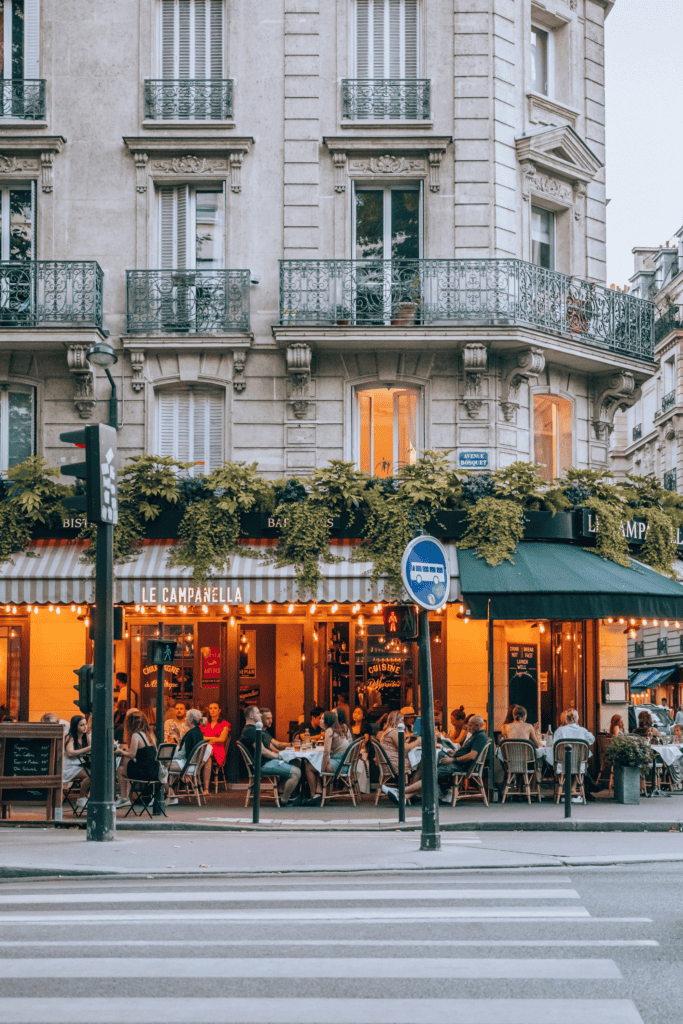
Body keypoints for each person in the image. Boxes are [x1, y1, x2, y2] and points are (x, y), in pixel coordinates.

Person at [240, 706, 301, 806]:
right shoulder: (251, 731)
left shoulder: (252, 729)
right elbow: (263, 751)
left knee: (295, 761)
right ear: (251, 716)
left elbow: (268, 748)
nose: (260, 715)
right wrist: (279, 757)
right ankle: (284, 801)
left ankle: (284, 792)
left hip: (264, 762)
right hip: (262, 765)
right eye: (257, 713)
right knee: (297, 772)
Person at [305, 710, 351, 805]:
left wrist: (322, 768)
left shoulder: (329, 731)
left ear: (328, 720)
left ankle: (314, 796)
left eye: (322, 718)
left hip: (339, 765)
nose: (320, 720)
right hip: (344, 764)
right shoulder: (338, 730)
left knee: (309, 767)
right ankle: (319, 793)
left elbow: (326, 752)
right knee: (317, 764)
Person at [553, 709, 598, 802]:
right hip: (578, 765)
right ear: (576, 719)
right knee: (578, 766)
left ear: (565, 719)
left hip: (563, 764)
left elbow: (554, 746)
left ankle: (563, 790)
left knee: (558, 765)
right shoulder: (582, 730)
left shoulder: (559, 730)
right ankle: (573, 788)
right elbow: (592, 739)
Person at [115, 710, 158, 808]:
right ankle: (126, 796)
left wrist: (120, 751)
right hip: (154, 771)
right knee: (124, 767)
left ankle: (124, 798)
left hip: (144, 773)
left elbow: (131, 755)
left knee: (121, 768)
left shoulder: (136, 735)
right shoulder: (149, 734)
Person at [436, 716, 489, 794]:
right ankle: (443, 790)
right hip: (459, 763)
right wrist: (455, 753)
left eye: (470, 725)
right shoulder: (475, 735)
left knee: (433, 772)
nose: (468, 727)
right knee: (439, 757)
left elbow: (472, 755)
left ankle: (442, 790)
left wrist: (453, 759)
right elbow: (467, 752)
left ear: (477, 725)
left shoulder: (480, 736)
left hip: (461, 766)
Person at [167, 708, 205, 805]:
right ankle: (170, 794)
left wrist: (169, 756)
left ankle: (170, 795)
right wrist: (179, 736)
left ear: (190, 720)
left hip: (185, 765)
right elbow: (186, 749)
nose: (184, 720)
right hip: (192, 764)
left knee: (160, 766)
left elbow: (182, 754)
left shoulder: (190, 733)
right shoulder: (197, 732)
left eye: (186, 718)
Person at [379, 710, 421, 779]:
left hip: (389, 763)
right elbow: (405, 748)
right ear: (395, 721)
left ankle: (411, 787)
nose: (403, 723)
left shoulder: (389, 731)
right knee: (421, 764)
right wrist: (418, 741)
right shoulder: (393, 732)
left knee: (419, 765)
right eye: (402, 720)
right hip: (394, 764)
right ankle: (410, 788)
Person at [63, 715, 91, 812]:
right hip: (69, 767)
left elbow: (93, 748)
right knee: (91, 775)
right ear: (75, 727)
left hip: (79, 765)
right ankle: (81, 798)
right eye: (81, 725)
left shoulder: (86, 737)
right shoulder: (70, 738)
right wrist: (88, 748)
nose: (85, 727)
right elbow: (70, 753)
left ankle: (86, 797)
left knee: (97, 773)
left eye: (85, 724)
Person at [201, 703, 231, 793]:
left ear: (219, 710)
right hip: (206, 748)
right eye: (211, 708)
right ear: (208, 710)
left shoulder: (224, 724)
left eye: (215, 708)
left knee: (207, 754)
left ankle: (193, 770)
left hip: (218, 749)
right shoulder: (205, 723)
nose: (213, 710)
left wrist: (208, 739)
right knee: (208, 759)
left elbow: (222, 739)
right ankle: (206, 789)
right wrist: (214, 738)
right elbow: (201, 737)